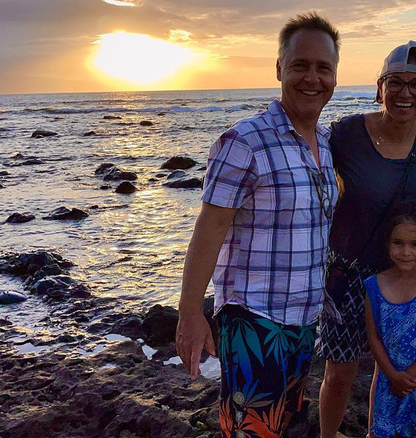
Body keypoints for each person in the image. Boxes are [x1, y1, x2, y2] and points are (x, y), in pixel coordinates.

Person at [174, 12, 340, 438]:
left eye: (324, 68)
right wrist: (191, 313)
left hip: (305, 319)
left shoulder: (324, 143)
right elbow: (209, 229)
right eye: (300, 65)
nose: (312, 78)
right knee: (253, 431)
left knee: (288, 427)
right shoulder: (244, 141)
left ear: (335, 76)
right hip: (255, 319)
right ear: (279, 68)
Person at [317, 41, 416, 437]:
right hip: (348, 273)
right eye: (396, 83)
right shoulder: (347, 133)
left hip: (405, 272)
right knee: (340, 373)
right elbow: (302, 162)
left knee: (399, 368)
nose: (405, 93)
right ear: (379, 86)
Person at [364, 201, 416, 438]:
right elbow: (373, 337)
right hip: (389, 380)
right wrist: (393, 376)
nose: (406, 252)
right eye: (398, 243)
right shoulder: (373, 285)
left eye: (415, 244)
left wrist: (409, 377)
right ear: (387, 243)